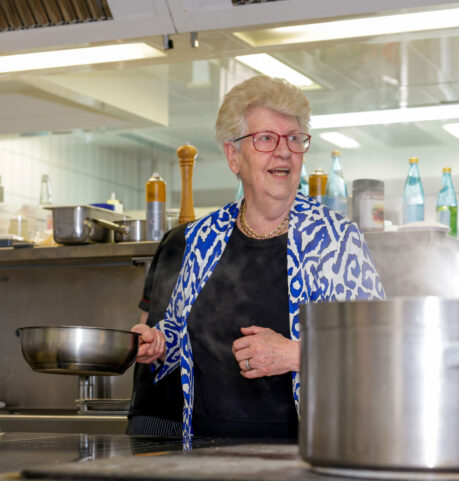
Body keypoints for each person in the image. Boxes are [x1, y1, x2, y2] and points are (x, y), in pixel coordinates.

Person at [131, 75, 385, 448]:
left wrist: (295, 354)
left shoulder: (334, 238)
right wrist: (158, 343)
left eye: (294, 139)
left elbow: (381, 349)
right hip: (203, 459)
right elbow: (179, 334)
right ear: (234, 156)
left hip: (302, 457)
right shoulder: (203, 237)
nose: (283, 151)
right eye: (266, 138)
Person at [126, 224, 186, 437]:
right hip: (163, 411)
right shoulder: (184, 237)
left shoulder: (179, 235)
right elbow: (146, 329)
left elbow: (144, 325)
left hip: (151, 407)